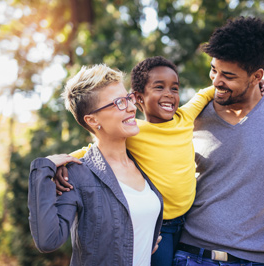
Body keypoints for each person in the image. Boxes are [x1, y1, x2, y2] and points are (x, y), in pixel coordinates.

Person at [54, 56, 264, 266]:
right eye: (159, 87)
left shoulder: (185, 117)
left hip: (190, 223)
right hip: (159, 227)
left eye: (174, 88)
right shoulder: (133, 133)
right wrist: (61, 162)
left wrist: (254, 84)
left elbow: (208, 92)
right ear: (138, 98)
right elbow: (94, 149)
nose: (169, 94)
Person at [173, 17, 264, 266]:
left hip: (255, 261)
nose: (216, 80)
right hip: (191, 256)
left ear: (256, 76)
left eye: (228, 75)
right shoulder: (193, 115)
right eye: (213, 69)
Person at [27, 64, 164, 266]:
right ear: (92, 120)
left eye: (128, 98)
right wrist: (42, 171)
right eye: (119, 102)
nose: (132, 107)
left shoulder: (142, 163)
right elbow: (48, 241)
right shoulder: (76, 175)